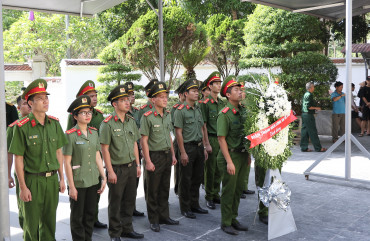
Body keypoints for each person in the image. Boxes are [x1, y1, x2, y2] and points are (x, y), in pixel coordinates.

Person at [9, 78, 68, 241]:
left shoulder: (55, 124)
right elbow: (18, 159)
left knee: (49, 223)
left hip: (51, 181)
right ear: (30, 103)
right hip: (32, 181)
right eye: (40, 99)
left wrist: (62, 178)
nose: (45, 101)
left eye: (46, 97)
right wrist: (23, 187)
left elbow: (58, 152)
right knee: (31, 224)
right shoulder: (22, 127)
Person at [99, 85, 144, 241]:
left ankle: (127, 228)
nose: (127, 103)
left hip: (131, 166)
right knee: (115, 202)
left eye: (127, 100)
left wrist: (138, 165)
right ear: (114, 104)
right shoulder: (107, 123)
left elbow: (134, 144)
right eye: (123, 100)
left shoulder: (131, 121)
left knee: (129, 200)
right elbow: (105, 149)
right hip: (117, 169)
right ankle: (115, 233)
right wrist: (109, 171)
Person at [63, 95, 107, 241]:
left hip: (93, 179)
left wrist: (103, 176)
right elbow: (66, 162)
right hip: (78, 181)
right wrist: (72, 186)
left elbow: (97, 156)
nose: (87, 115)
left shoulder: (94, 132)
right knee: (77, 218)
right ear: (75, 116)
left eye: (89, 112)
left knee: (89, 215)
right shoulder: (70, 135)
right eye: (83, 113)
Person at [140, 82, 179, 232]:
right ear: (152, 100)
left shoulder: (167, 115)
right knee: (153, 189)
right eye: (161, 97)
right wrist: (148, 161)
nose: (165, 99)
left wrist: (173, 154)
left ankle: (164, 216)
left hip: (166, 155)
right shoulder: (147, 117)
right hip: (154, 156)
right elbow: (144, 140)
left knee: (164, 188)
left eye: (166, 97)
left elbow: (169, 136)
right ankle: (154, 219)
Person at [217, 76, 249, 235]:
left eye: (240, 89)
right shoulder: (225, 113)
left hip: (242, 155)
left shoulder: (243, 111)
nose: (240, 92)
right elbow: (221, 139)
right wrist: (229, 162)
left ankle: (233, 218)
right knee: (229, 190)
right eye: (236, 90)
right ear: (228, 95)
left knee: (238, 190)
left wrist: (248, 155)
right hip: (230, 156)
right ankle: (226, 222)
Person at [174, 79, 209, 219]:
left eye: (197, 91)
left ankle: (195, 204)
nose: (197, 93)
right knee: (185, 178)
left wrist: (205, 147)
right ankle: (185, 206)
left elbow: (202, 127)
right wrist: (182, 152)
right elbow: (178, 133)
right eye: (194, 91)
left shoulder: (198, 109)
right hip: (187, 147)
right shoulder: (180, 111)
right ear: (186, 94)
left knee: (197, 177)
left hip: (199, 147)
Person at [6, 95, 31, 229]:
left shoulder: (46, 124)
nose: (29, 106)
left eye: (30, 103)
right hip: (24, 174)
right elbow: (10, 153)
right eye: (26, 104)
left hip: (43, 174)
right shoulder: (14, 128)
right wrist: (9, 175)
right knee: (25, 210)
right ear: (19, 107)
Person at [200, 72, 224, 210]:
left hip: (221, 139)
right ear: (210, 86)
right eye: (216, 83)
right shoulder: (205, 104)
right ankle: (209, 196)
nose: (219, 85)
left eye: (220, 83)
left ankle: (215, 193)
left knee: (219, 168)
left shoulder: (222, 102)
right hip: (212, 138)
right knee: (210, 169)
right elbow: (204, 125)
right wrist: (206, 143)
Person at [125, 81, 145, 217]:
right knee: (124, 185)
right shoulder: (121, 113)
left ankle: (132, 207)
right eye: (129, 95)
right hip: (126, 150)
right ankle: (124, 209)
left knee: (134, 182)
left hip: (137, 149)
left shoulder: (137, 112)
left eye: (133, 94)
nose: (132, 97)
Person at [238, 80, 255, 197]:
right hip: (237, 139)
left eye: (243, 91)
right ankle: (238, 188)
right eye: (240, 91)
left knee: (247, 164)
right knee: (238, 166)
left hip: (247, 138)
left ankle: (244, 186)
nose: (242, 93)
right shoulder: (235, 107)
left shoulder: (246, 107)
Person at [300, 82, 327, 152]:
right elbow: (309, 107)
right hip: (308, 115)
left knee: (305, 132)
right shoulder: (309, 95)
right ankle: (318, 148)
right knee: (313, 131)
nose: (314, 88)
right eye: (313, 87)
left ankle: (304, 147)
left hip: (304, 114)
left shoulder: (305, 94)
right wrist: (317, 108)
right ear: (310, 88)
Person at [172, 82, 186, 196]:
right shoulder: (176, 108)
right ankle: (178, 187)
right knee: (179, 168)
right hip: (178, 140)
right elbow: (174, 127)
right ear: (180, 95)